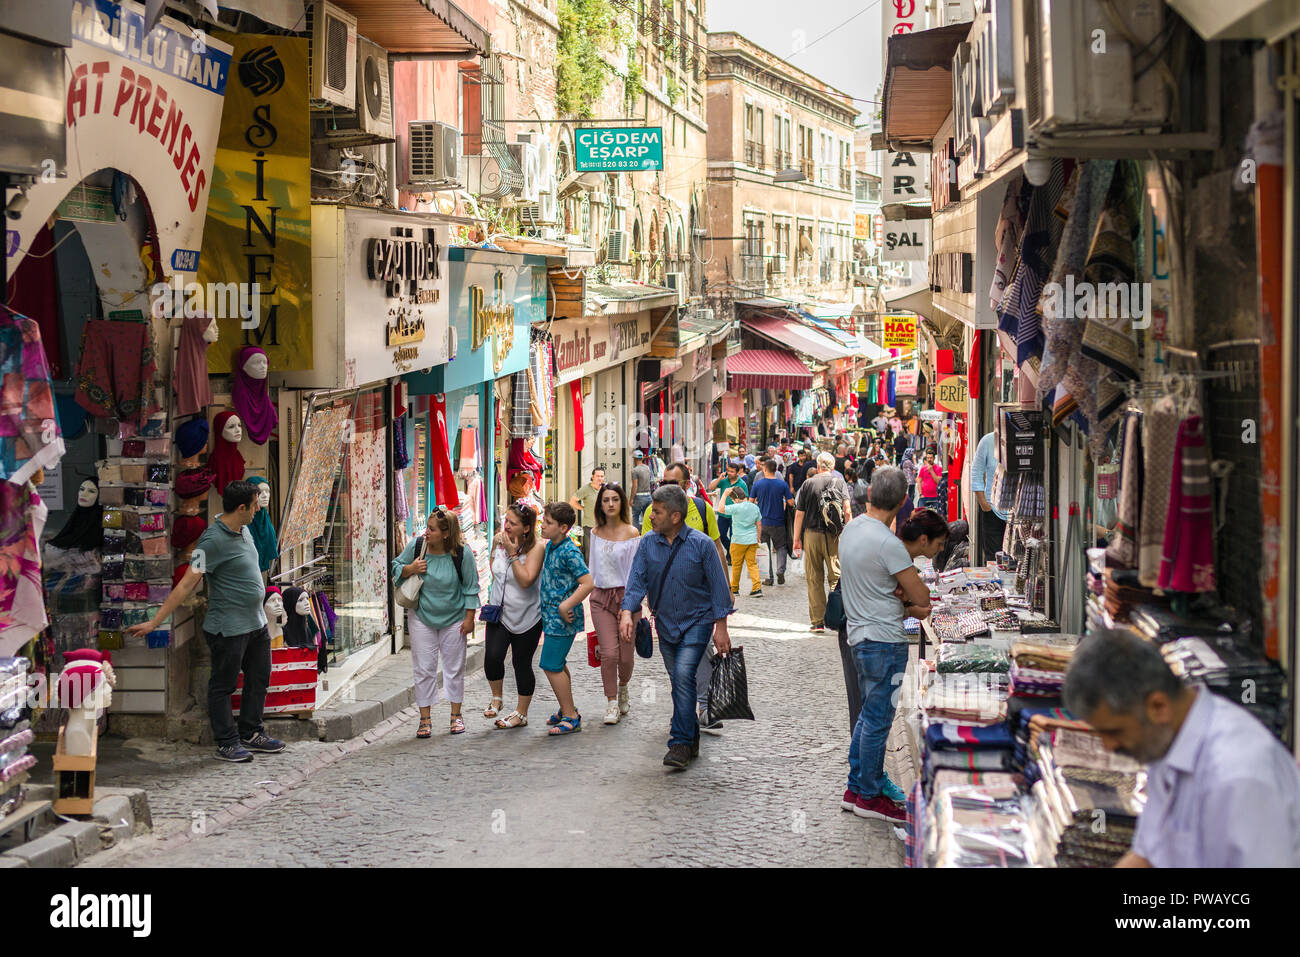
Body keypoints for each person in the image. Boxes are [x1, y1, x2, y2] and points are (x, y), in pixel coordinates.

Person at [1063, 629, 1300, 867]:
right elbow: (1149, 855)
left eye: (1114, 732)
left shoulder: (1239, 777)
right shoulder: (1166, 743)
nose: (1108, 746)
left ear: (1158, 706)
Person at [128, 480, 283, 763]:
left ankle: (251, 732)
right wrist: (155, 622)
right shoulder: (210, 542)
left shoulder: (245, 530)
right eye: (255, 504)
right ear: (241, 508)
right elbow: (187, 584)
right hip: (228, 627)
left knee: (259, 678)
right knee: (222, 686)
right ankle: (226, 742)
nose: (259, 508)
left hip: (256, 623)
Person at [838, 481, 944, 823]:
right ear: (901, 501)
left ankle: (857, 788)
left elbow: (875, 590)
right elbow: (922, 596)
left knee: (868, 717)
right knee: (878, 720)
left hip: (859, 636)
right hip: (884, 641)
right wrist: (912, 601)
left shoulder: (851, 530)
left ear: (870, 496)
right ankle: (868, 795)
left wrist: (903, 603)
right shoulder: (888, 543)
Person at [619, 484, 734, 769]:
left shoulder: (702, 545)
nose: (651, 517)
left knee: (684, 675)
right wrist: (626, 611)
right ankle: (692, 734)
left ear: (675, 517)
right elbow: (636, 581)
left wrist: (721, 628)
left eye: (656, 512)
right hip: (665, 624)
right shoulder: (647, 543)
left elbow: (720, 589)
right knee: (679, 682)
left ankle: (679, 743)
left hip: (697, 622)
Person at [641, 461, 726, 727]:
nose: (666, 487)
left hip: (698, 600)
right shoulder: (650, 513)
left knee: (699, 653)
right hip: (666, 603)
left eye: (673, 483)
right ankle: (686, 709)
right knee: (677, 664)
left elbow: (716, 548)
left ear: (687, 484)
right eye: (663, 482)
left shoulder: (702, 509)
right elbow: (645, 556)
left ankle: (703, 707)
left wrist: (725, 589)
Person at [392, 506, 480, 737]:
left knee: (454, 669)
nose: (426, 532)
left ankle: (455, 716)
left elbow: (470, 588)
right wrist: (409, 569)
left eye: (431, 529)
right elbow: (395, 566)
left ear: (446, 533)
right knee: (423, 669)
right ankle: (424, 720)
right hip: (422, 616)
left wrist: (470, 619)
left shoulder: (462, 554)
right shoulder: (417, 546)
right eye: (427, 528)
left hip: (454, 619)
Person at [482, 501, 546, 730]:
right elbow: (494, 568)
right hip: (500, 613)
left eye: (512, 523)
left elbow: (526, 580)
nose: (506, 526)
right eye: (506, 520)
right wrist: (497, 549)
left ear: (527, 528)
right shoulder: (500, 540)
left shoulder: (537, 548)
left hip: (528, 615)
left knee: (522, 663)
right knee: (492, 657)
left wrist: (511, 554)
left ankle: (521, 712)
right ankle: (497, 697)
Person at [536, 502, 595, 735]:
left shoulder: (569, 551)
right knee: (557, 663)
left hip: (563, 618)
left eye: (548, 523)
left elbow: (588, 582)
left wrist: (566, 605)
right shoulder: (551, 545)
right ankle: (566, 707)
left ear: (563, 528)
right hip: (552, 617)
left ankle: (571, 715)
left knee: (550, 665)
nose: (543, 525)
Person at [588, 483, 642, 725]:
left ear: (622, 503)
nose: (610, 504)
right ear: (600, 504)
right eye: (605, 500)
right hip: (600, 598)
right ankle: (611, 702)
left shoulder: (632, 533)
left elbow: (636, 572)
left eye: (614, 499)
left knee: (626, 656)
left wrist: (629, 604)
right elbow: (592, 570)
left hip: (627, 598)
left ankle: (623, 687)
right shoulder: (594, 533)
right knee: (609, 654)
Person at [792, 452, 852, 633]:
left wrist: (796, 539)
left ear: (818, 466)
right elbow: (847, 511)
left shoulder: (807, 484)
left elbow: (799, 514)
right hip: (834, 535)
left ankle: (818, 622)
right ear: (833, 467)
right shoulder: (840, 483)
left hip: (811, 535)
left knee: (814, 578)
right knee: (836, 577)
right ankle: (837, 618)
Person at [752, 459, 794, 585]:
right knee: (781, 546)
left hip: (762, 522)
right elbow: (791, 502)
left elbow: (751, 501)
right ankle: (780, 570)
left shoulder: (757, 485)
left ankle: (768, 578)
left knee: (764, 549)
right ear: (776, 470)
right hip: (778, 521)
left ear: (764, 469)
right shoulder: (782, 485)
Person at [718, 485, 763, 598]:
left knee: (737, 565)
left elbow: (720, 509)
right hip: (752, 540)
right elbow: (759, 524)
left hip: (738, 540)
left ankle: (735, 589)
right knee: (752, 564)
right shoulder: (754, 507)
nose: (733, 501)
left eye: (733, 500)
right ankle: (757, 588)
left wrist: (724, 495)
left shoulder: (736, 507)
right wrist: (758, 537)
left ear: (736, 499)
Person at [970, 430, 1008, 563]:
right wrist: (984, 504)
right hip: (993, 511)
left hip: (1018, 515)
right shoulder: (987, 441)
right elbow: (975, 473)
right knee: (994, 559)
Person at [569, 467, 605, 561]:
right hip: (589, 526)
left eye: (602, 476)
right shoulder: (586, 489)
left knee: (602, 554)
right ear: (593, 477)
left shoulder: (605, 489)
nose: (600, 478)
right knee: (589, 555)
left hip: (603, 526)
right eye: (597, 476)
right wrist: (583, 508)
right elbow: (572, 501)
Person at [629, 450, 653, 527]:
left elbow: (635, 486)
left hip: (639, 497)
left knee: (635, 517)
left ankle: (636, 536)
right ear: (642, 458)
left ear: (634, 459)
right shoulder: (647, 468)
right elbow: (651, 481)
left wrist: (631, 499)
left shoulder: (635, 470)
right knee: (648, 518)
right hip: (648, 496)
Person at [917, 448, 944, 513]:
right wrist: (920, 494)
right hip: (924, 497)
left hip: (935, 497)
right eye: (928, 458)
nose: (929, 460)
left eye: (931, 458)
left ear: (934, 458)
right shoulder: (923, 468)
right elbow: (919, 481)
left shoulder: (939, 469)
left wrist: (931, 471)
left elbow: (938, 482)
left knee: (935, 516)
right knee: (921, 515)